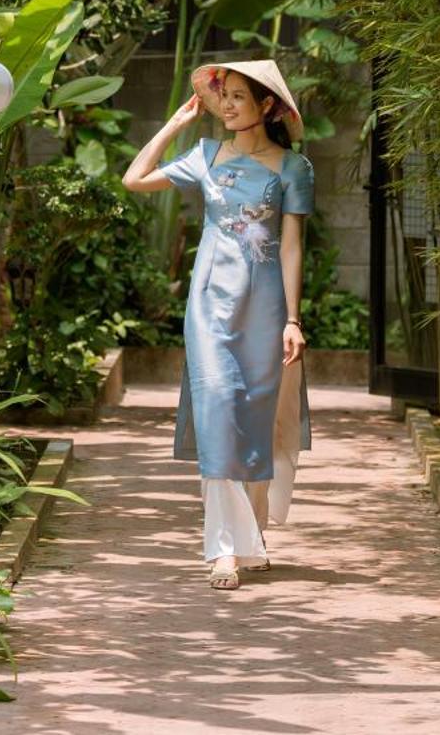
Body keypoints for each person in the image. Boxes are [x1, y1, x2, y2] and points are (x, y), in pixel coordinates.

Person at [122, 59, 314, 590]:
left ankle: (251, 535)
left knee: (255, 416)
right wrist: (174, 125)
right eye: (221, 95)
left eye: (237, 96)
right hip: (208, 308)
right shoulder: (204, 157)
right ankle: (223, 550)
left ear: (267, 105)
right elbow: (133, 179)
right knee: (216, 411)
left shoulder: (292, 169)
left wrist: (293, 319)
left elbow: (292, 245)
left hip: (266, 309)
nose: (225, 104)